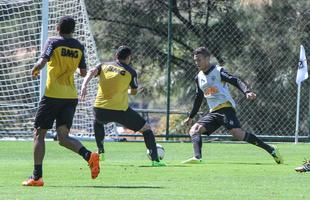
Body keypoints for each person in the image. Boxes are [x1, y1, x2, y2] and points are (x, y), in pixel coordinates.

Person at [22, 16, 100, 186]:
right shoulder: (79, 46)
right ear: (73, 30)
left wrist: (35, 68)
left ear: (58, 27)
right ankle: (89, 156)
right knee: (63, 137)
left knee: (39, 134)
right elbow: (82, 71)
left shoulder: (53, 41)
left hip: (52, 96)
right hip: (70, 97)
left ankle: (36, 177)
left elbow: (43, 61)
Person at [182, 47, 283, 164]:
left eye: (199, 60)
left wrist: (247, 91)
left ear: (207, 59)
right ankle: (198, 158)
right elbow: (198, 98)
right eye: (195, 60)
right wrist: (191, 116)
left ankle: (271, 150)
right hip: (213, 112)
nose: (197, 63)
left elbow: (235, 80)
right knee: (195, 130)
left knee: (238, 134)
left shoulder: (218, 71)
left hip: (225, 108)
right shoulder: (198, 77)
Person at [80, 45, 166, 167]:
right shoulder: (131, 72)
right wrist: (129, 90)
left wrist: (84, 86)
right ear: (129, 58)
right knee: (146, 129)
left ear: (116, 55)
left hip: (100, 110)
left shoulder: (104, 65)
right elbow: (134, 92)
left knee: (98, 121)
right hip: (120, 111)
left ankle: (100, 151)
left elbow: (91, 72)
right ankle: (155, 160)